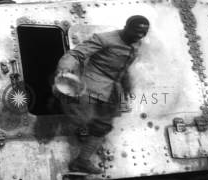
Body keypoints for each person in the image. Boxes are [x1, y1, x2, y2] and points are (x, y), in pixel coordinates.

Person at [54, 15, 150, 174]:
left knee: (103, 127)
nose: (140, 36)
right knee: (84, 119)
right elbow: (76, 54)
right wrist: (65, 70)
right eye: (137, 31)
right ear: (126, 27)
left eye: (144, 33)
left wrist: (127, 89)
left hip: (112, 90)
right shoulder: (105, 39)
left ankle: (81, 161)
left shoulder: (136, 43)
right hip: (92, 86)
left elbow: (123, 69)